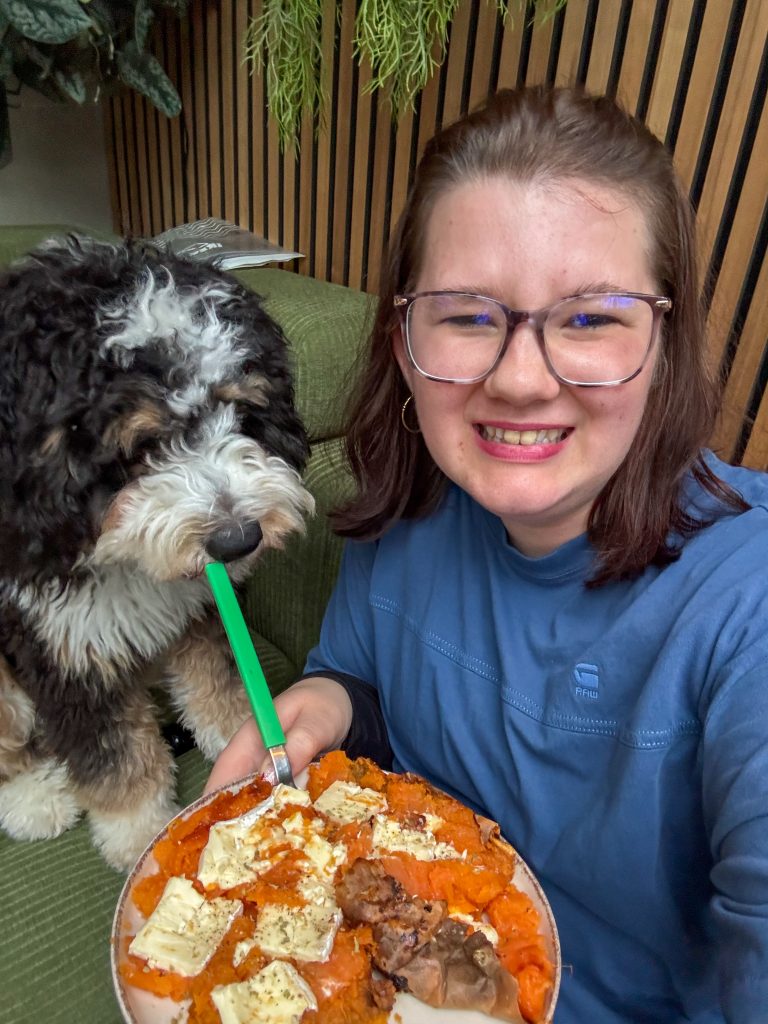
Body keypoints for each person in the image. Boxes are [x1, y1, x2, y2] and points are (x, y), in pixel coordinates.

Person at [206, 85, 768, 1022]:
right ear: (403, 335)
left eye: (591, 319)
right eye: (467, 315)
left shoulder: (748, 604)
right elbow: (366, 680)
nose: (518, 378)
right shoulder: (409, 512)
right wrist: (322, 702)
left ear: (664, 344)